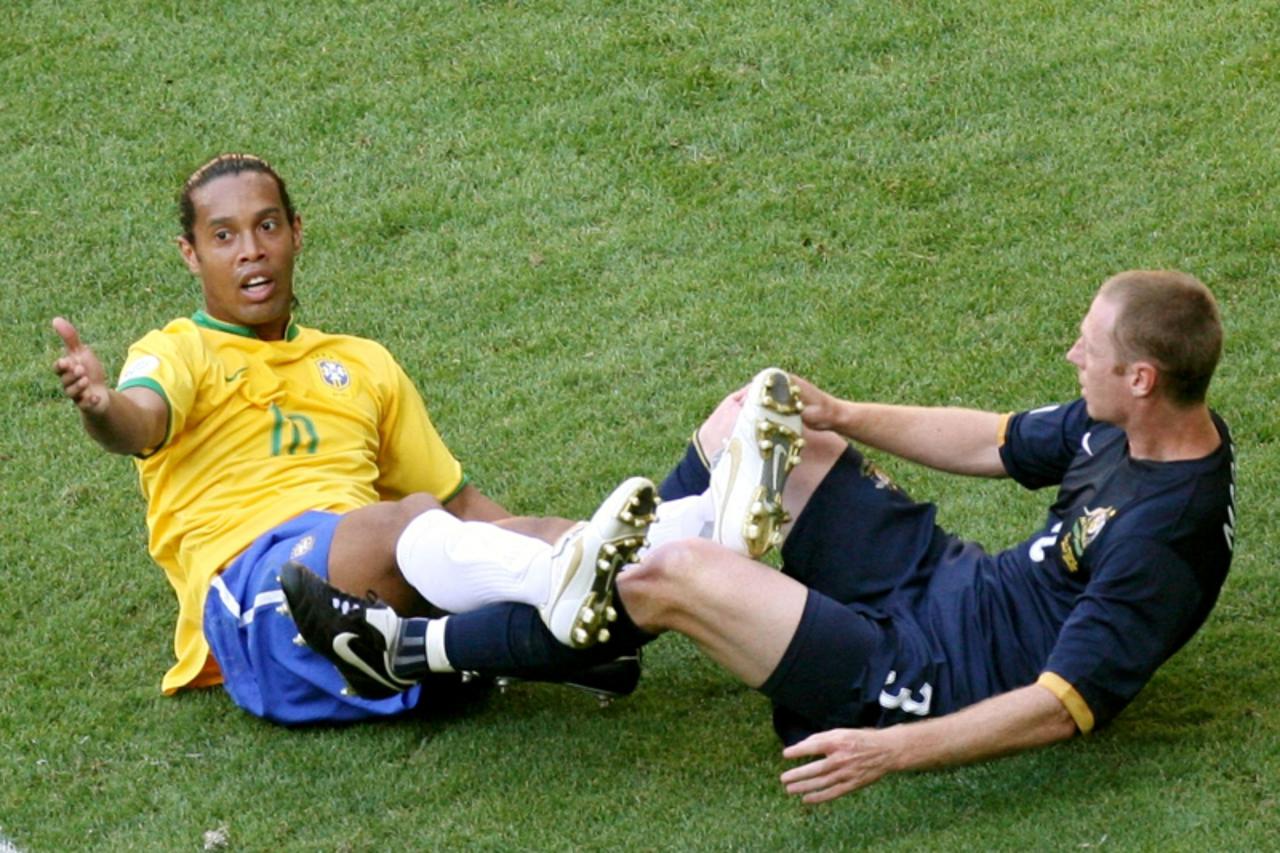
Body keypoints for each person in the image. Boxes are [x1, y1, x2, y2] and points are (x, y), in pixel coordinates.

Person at [284, 270, 1234, 803]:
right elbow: (994, 440)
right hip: (952, 584)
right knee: (764, 423)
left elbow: (1063, 705)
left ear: (1144, 377)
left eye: (1089, 349)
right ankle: (589, 607)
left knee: (661, 570)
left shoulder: (1165, 539)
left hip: (925, 674)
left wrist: (888, 752)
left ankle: (411, 649)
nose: (1072, 355)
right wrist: (844, 411)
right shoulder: (1127, 419)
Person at [51, 153, 658, 725]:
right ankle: (562, 601)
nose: (251, 252)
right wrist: (101, 406)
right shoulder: (176, 350)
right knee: (406, 522)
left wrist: (547, 535)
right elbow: (139, 422)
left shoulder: (363, 363)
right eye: (224, 236)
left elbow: (463, 506)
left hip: (371, 584)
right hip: (262, 595)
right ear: (190, 253)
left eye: (266, 226)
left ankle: (665, 556)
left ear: (296, 231)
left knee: (530, 533)